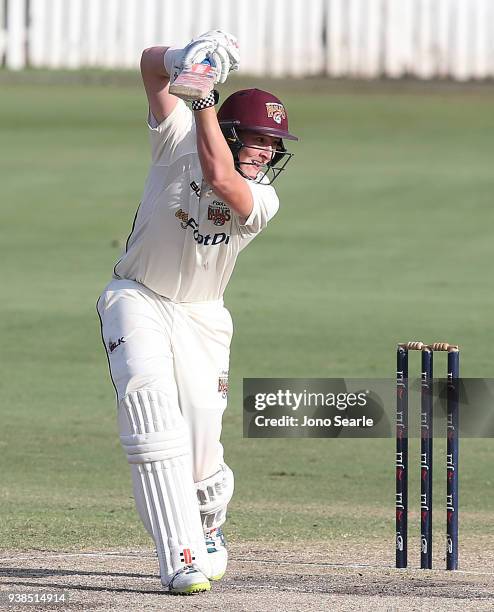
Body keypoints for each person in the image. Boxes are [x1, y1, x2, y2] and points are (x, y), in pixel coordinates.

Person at [96, 30, 297, 595]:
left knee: (202, 447)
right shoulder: (177, 135)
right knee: (150, 414)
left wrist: (204, 99)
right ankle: (179, 553)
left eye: (271, 144)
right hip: (136, 297)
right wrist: (180, 59)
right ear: (231, 131)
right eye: (255, 140)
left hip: (203, 319)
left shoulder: (263, 199)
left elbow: (220, 179)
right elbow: (147, 67)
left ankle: (208, 524)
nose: (265, 152)